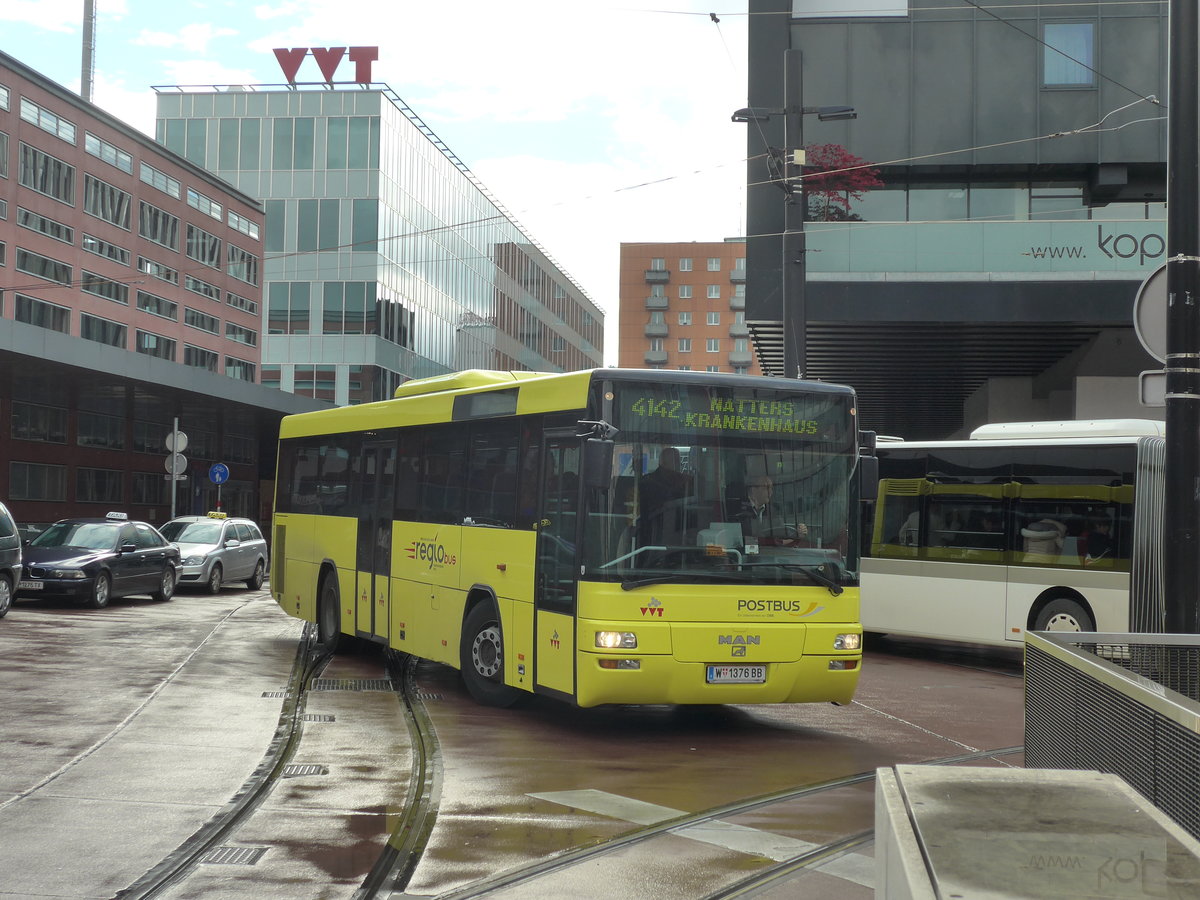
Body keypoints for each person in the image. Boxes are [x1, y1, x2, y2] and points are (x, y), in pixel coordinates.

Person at [637, 448, 691, 545]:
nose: (679, 465)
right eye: (675, 461)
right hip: (652, 534)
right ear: (663, 463)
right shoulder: (648, 483)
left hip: (680, 534)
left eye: (678, 461)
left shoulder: (686, 482)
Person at [734, 475, 807, 543]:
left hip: (769, 551)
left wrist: (798, 535)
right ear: (754, 489)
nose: (770, 492)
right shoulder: (738, 509)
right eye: (766, 488)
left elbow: (781, 538)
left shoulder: (772, 511)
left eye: (771, 488)